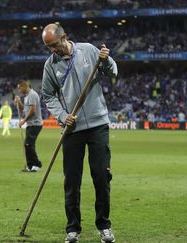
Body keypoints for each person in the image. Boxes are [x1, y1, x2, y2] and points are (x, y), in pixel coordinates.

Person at [40, 23, 118, 243]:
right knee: (71, 180)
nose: (52, 50)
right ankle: (72, 228)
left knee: (101, 176)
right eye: (48, 47)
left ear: (64, 36)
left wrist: (106, 60)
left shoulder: (89, 50)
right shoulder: (50, 65)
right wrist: (63, 116)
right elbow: (48, 96)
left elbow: (113, 72)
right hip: (71, 129)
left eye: (54, 44)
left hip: (97, 124)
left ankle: (104, 226)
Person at [14, 81, 43, 172]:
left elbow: (32, 111)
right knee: (28, 145)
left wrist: (23, 121)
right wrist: (19, 102)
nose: (19, 90)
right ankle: (30, 166)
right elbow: (24, 109)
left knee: (28, 144)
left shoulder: (32, 95)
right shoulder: (27, 97)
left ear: (25, 86)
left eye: (20, 88)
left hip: (35, 124)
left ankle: (37, 164)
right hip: (31, 124)